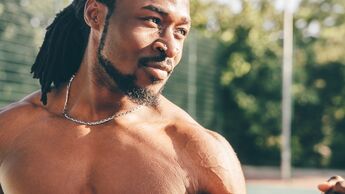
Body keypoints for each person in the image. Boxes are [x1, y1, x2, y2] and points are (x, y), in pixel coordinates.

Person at [0, 0, 246, 193]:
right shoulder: (11, 130)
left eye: (181, 31)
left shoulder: (203, 155)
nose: (171, 48)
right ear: (95, 15)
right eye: (152, 20)